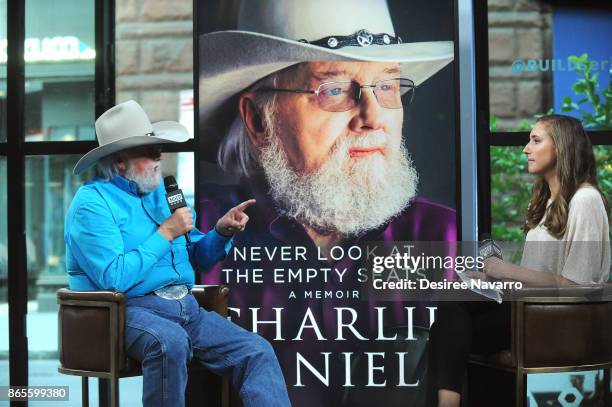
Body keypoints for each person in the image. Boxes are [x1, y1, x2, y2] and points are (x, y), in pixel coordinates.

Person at [64, 100, 291, 407]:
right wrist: (164, 233)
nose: (159, 156)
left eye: (158, 147)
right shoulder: (92, 203)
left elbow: (196, 257)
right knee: (169, 343)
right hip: (127, 311)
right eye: (147, 150)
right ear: (119, 161)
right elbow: (113, 278)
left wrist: (221, 232)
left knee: (257, 351)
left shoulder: (164, 193)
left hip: (187, 309)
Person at [428, 114, 610, 407]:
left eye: (536, 140)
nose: (526, 148)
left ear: (561, 148)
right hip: (527, 313)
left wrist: (507, 270)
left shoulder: (585, 200)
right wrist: (491, 278)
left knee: (448, 326)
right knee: (449, 315)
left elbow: (579, 285)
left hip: (554, 324)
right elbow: (532, 278)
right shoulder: (544, 202)